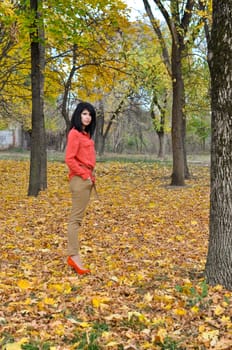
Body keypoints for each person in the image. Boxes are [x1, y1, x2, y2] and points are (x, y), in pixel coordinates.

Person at [65, 102, 96, 275]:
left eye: (90, 115)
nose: (87, 117)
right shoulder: (74, 134)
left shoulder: (86, 135)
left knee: (78, 219)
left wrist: (90, 176)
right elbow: (69, 159)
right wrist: (84, 175)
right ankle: (73, 255)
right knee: (75, 220)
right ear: (78, 115)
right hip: (79, 179)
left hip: (86, 179)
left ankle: (74, 254)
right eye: (84, 114)